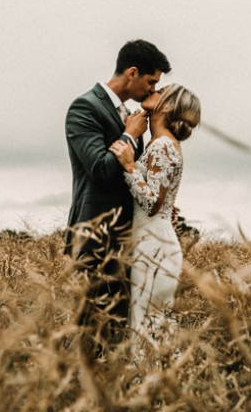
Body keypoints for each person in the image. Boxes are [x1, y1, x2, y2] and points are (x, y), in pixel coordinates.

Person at [65, 39, 171, 359]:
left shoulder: (128, 113)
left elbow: (131, 173)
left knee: (116, 332)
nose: (152, 90)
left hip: (126, 240)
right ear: (132, 73)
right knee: (90, 332)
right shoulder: (85, 107)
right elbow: (99, 169)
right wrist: (130, 135)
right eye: (151, 82)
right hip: (95, 240)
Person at [109, 83, 201, 356]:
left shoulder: (162, 145)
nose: (153, 90)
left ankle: (150, 391)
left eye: (160, 91)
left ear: (169, 107)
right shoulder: (160, 143)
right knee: (153, 329)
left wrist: (129, 166)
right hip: (154, 244)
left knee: (146, 331)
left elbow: (151, 204)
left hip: (154, 248)